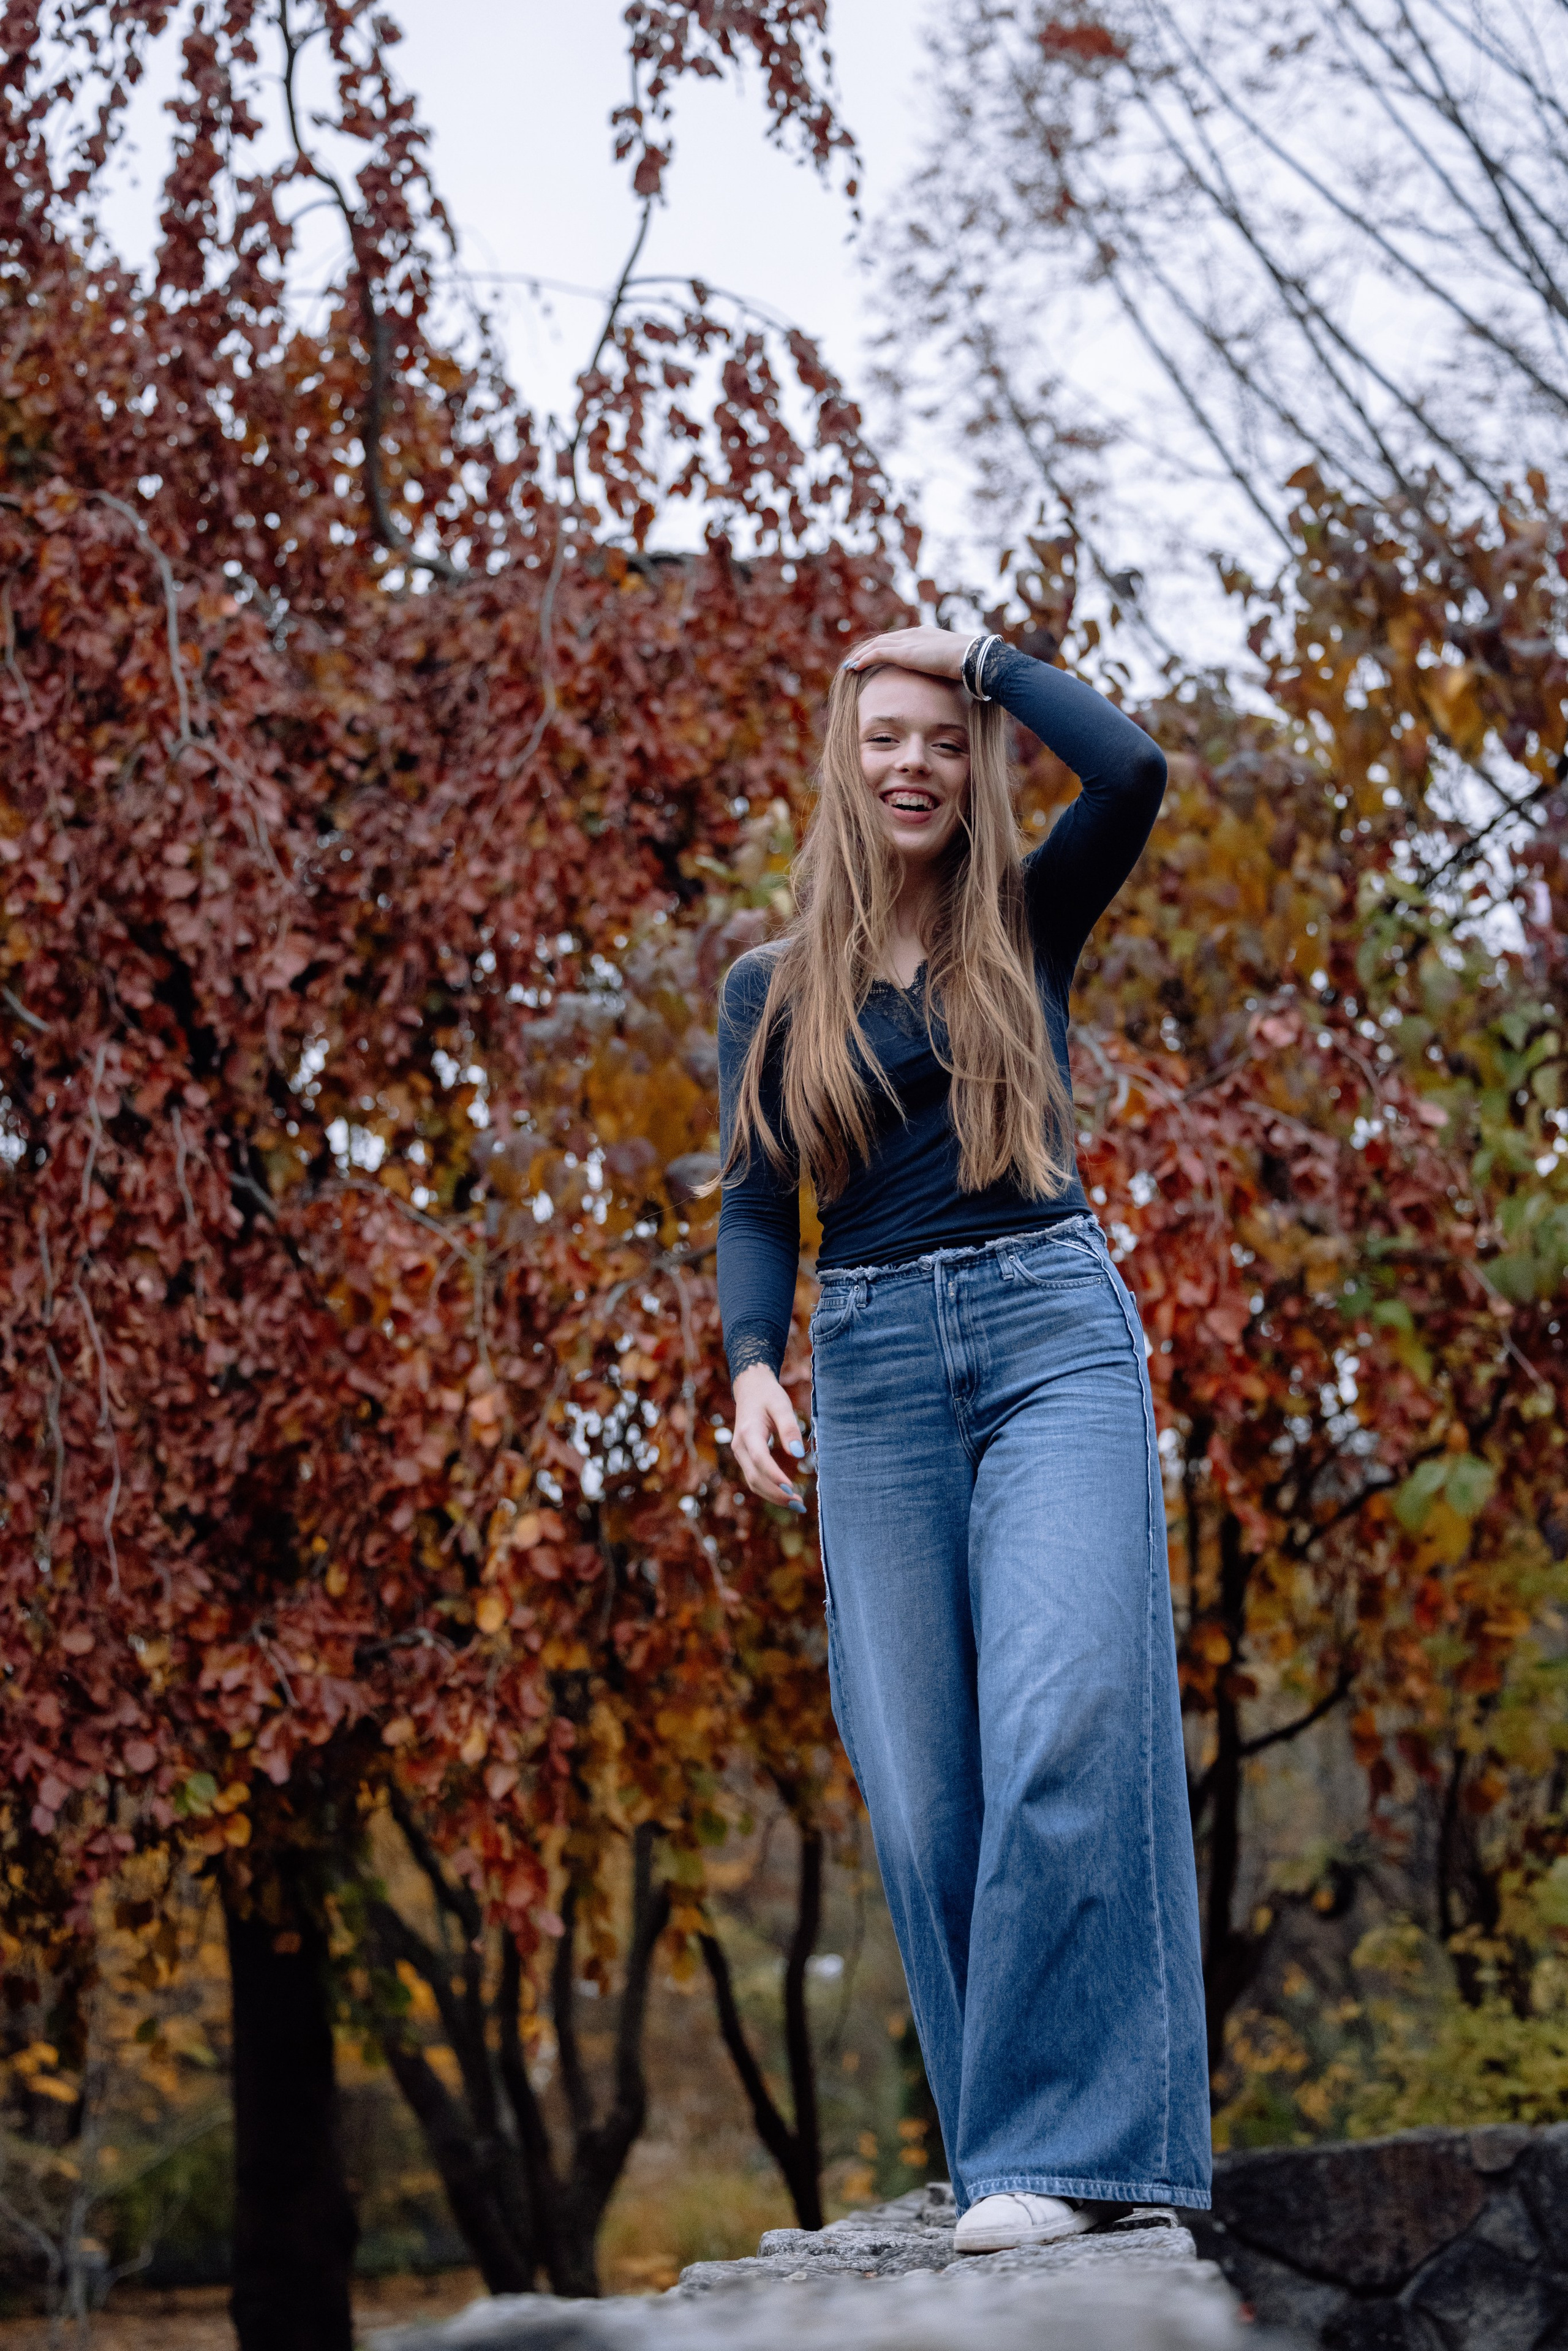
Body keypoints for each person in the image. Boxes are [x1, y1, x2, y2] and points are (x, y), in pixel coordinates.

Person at [714, 625, 1210, 2251]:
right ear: (847, 771)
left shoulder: (1028, 915)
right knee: (925, 1793)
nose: (913, 762)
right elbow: (752, 1206)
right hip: (865, 1373)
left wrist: (982, 655)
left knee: (1065, 1716)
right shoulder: (769, 992)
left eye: (943, 737)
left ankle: (1057, 2162)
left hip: (1048, 1335)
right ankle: (1011, 2145)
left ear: (978, 756)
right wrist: (747, 1367)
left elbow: (1132, 770)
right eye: (885, 739)